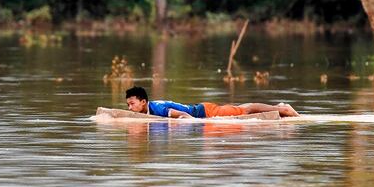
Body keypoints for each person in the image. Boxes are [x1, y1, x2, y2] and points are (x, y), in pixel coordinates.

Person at [124, 86, 299, 118]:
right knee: (242, 109)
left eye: (132, 104)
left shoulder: (158, 109)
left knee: (244, 110)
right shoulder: (150, 109)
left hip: (205, 112)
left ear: (143, 102)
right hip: (202, 110)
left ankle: (282, 109)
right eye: (128, 105)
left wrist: (196, 124)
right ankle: (280, 109)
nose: (130, 107)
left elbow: (183, 115)